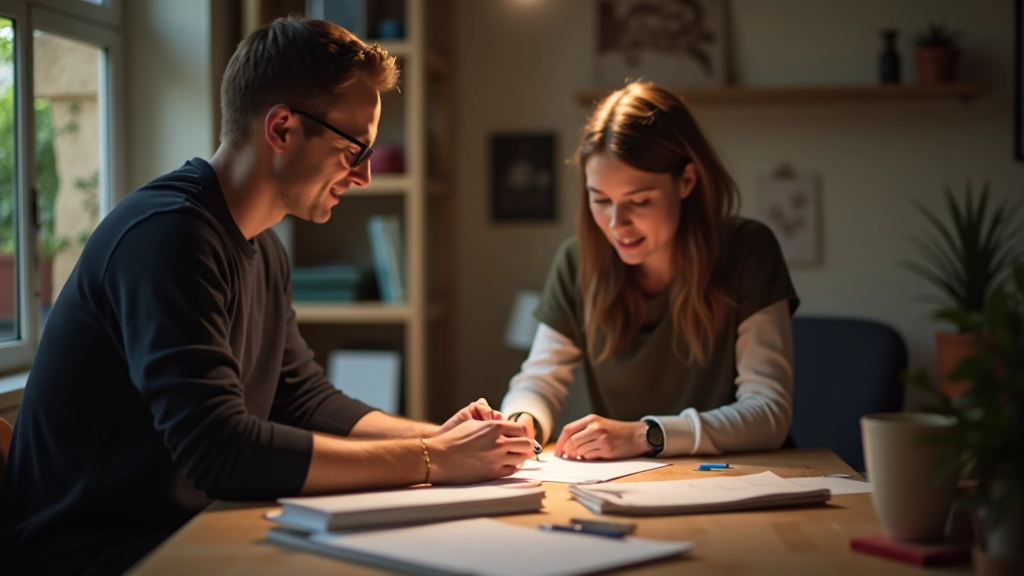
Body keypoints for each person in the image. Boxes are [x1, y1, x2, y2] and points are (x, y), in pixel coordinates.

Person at [0, 18, 529, 575]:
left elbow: (304, 400)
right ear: (281, 129)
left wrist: (447, 438)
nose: (365, 176)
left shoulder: (264, 247)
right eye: (355, 149)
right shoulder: (168, 236)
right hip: (90, 555)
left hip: (183, 531)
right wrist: (430, 459)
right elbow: (220, 451)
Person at [500, 82, 799, 461]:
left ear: (686, 181)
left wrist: (647, 435)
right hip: (629, 481)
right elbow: (540, 380)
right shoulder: (576, 262)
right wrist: (521, 422)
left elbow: (769, 412)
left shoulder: (748, 250)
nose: (616, 223)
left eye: (639, 201)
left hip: (744, 476)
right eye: (600, 200)